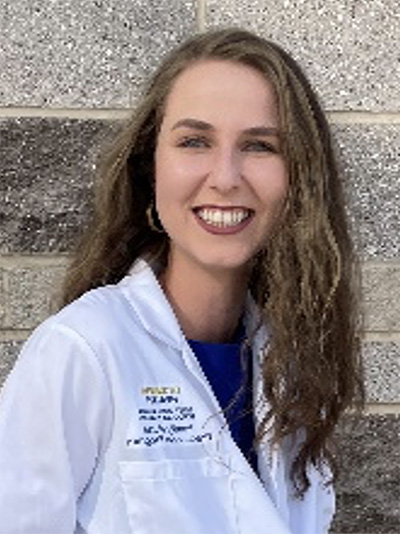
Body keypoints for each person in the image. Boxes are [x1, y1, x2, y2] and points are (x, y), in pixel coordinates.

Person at [0, 28, 364, 534]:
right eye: (194, 141)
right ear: (150, 166)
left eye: (259, 146)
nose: (225, 177)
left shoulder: (295, 366)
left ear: (299, 177)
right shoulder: (82, 351)